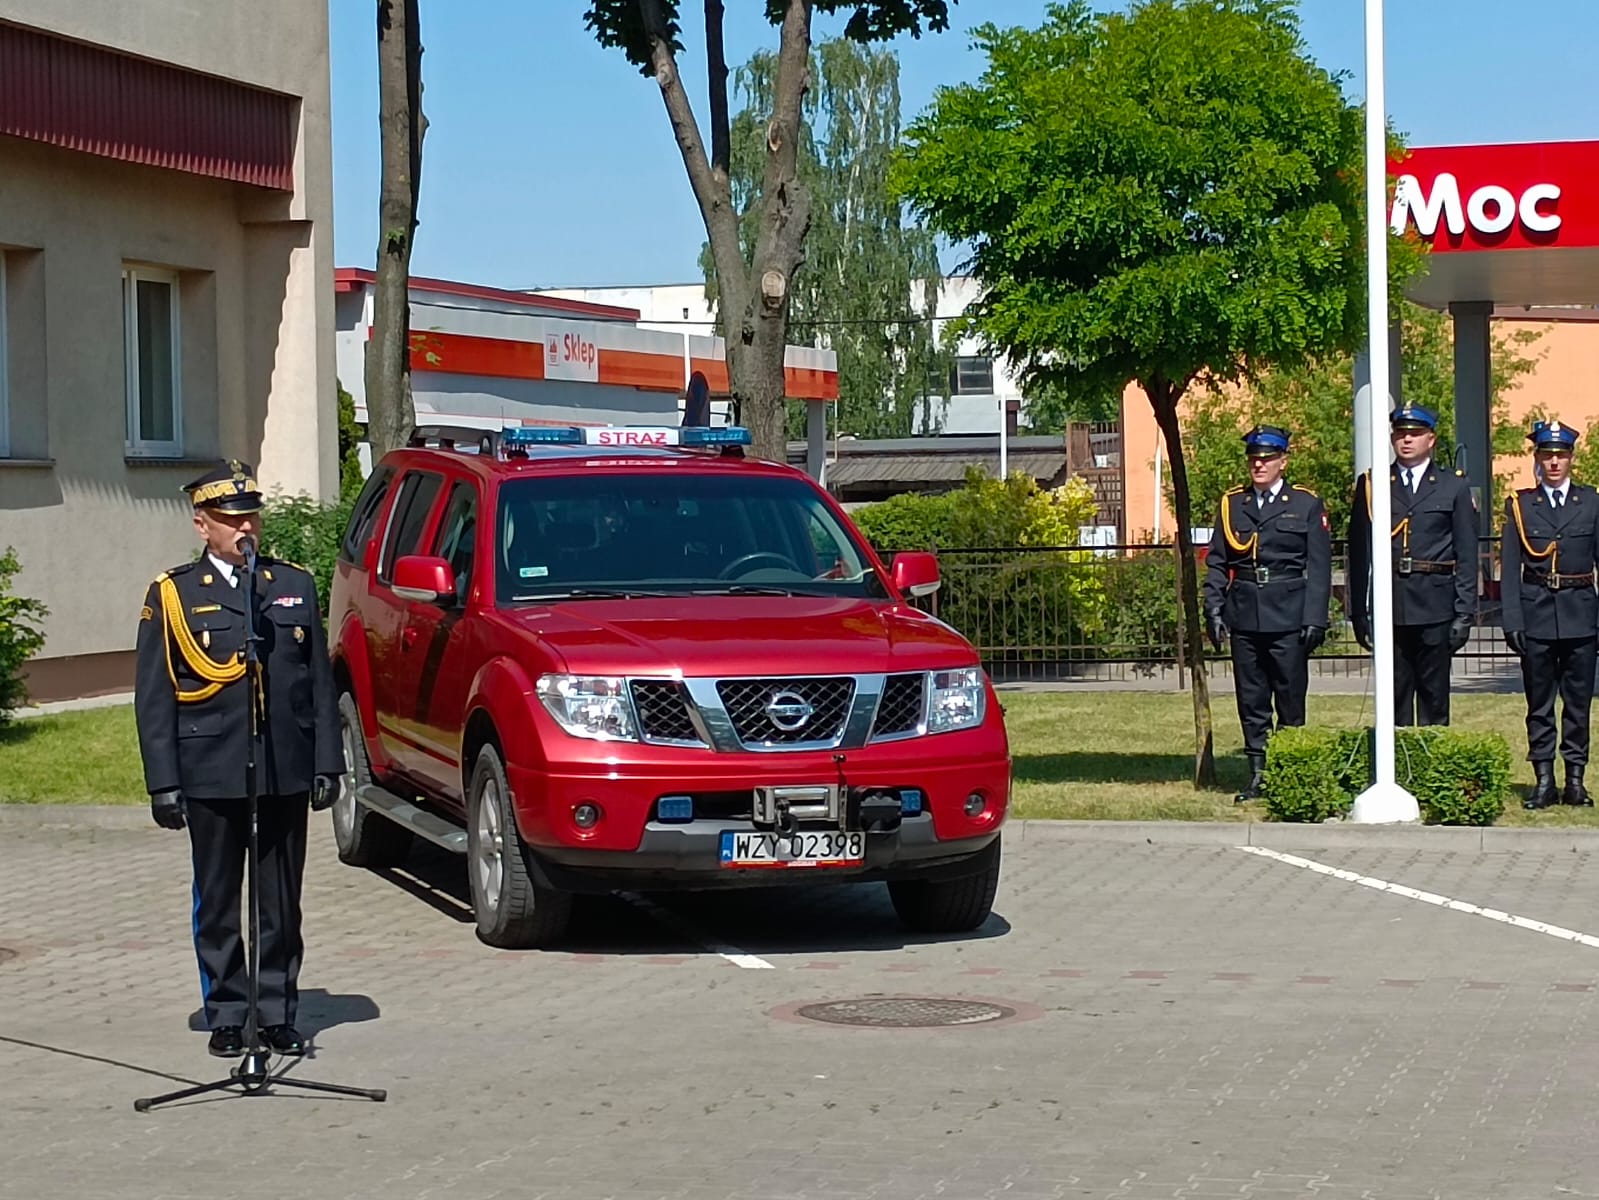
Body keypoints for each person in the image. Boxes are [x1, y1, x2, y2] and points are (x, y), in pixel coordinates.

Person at [133, 460, 343, 1058]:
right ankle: (226, 1011)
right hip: (211, 767)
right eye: (230, 519)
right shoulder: (175, 594)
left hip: (283, 766)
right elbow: (154, 696)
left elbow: (318, 683)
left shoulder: (291, 584)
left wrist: (327, 762)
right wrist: (163, 783)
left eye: (251, 515)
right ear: (202, 525)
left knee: (280, 900)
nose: (244, 527)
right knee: (220, 899)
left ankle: (276, 1012)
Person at [1203, 425, 1332, 803]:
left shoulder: (1305, 503)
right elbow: (1218, 561)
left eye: (1267, 459)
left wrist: (1315, 618)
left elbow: (1319, 567)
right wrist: (1213, 606)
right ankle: (1258, 774)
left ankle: (1290, 769)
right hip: (1244, 612)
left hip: (1288, 613)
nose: (1258, 465)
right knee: (1251, 698)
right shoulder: (1233, 503)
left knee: (1289, 696)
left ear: (1283, 462)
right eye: (1254, 459)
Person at [1347, 405, 1478, 726]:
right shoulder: (1373, 484)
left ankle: (1432, 757)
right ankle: (1398, 756)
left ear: (1431, 439)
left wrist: (1464, 612)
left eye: (1415, 434)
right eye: (1401, 434)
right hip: (1390, 604)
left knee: (1434, 698)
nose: (1406, 440)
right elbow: (1359, 553)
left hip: (1435, 603)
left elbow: (1466, 553)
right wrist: (1359, 611)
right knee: (1394, 697)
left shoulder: (1453, 485)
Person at [1500, 420, 1599, 809]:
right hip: (1537, 614)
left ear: (1571, 458)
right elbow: (1510, 568)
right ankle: (1543, 779)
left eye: (1560, 455)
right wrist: (1512, 619)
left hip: (1580, 614)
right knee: (1539, 705)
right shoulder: (1521, 505)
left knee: (1578, 704)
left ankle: (1575, 780)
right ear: (1537, 459)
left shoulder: (1591, 502)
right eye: (1547, 456)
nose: (1554, 462)